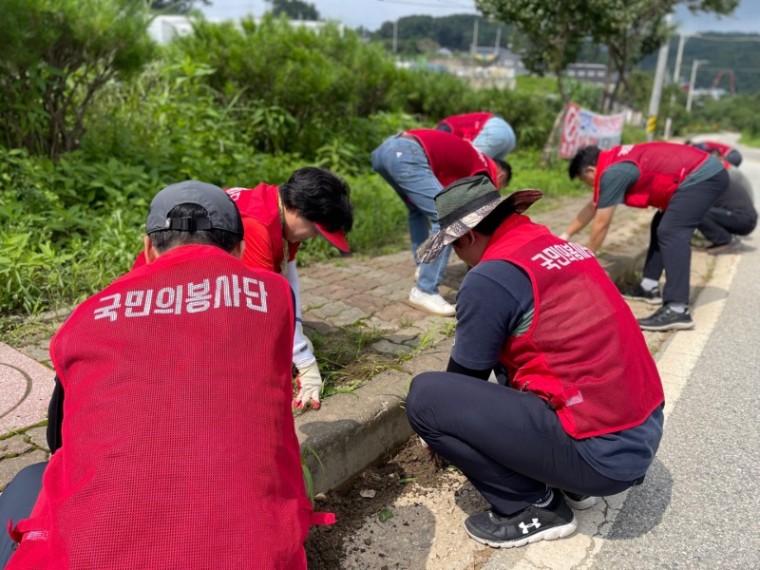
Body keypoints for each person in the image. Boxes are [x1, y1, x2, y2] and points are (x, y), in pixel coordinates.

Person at [2, 181, 322, 569]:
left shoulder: (86, 315)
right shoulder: (273, 296)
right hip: (253, 554)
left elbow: (58, 438)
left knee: (32, 479)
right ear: (240, 250)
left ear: (148, 249)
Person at [405, 174, 664, 549]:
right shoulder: (557, 246)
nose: (457, 260)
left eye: (454, 249)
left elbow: (463, 382)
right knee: (515, 350)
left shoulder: (490, 278)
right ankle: (568, 480)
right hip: (639, 430)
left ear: (468, 237)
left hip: (601, 455)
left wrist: (437, 438)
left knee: (427, 398)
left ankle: (534, 506)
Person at [562, 143, 728, 331]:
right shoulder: (615, 160)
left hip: (703, 176)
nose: (590, 185)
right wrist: (565, 235)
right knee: (662, 223)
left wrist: (586, 260)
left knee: (672, 230)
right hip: (703, 171)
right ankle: (648, 287)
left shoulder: (613, 173)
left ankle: (677, 308)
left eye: (586, 180)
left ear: (591, 170)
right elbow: (593, 206)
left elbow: (601, 223)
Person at [226, 167, 354, 411]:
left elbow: (287, 276)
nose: (314, 238)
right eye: (316, 231)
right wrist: (305, 361)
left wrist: (297, 330)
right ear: (298, 210)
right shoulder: (257, 226)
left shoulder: (280, 212)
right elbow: (267, 303)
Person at [371, 128, 511, 316]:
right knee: (449, 215)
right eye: (501, 186)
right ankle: (425, 290)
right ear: (501, 176)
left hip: (385, 151)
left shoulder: (471, 157)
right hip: (406, 152)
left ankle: (424, 267)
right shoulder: (486, 169)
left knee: (418, 210)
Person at [697, 165, 757, 254]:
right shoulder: (719, 180)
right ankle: (724, 239)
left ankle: (727, 241)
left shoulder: (711, 184)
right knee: (703, 211)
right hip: (745, 218)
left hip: (744, 219)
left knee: (697, 213)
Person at [436, 112, 517, 159]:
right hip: (509, 134)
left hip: (493, 129)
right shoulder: (447, 125)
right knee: (490, 172)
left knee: (471, 165)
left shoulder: (443, 128)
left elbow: (440, 156)